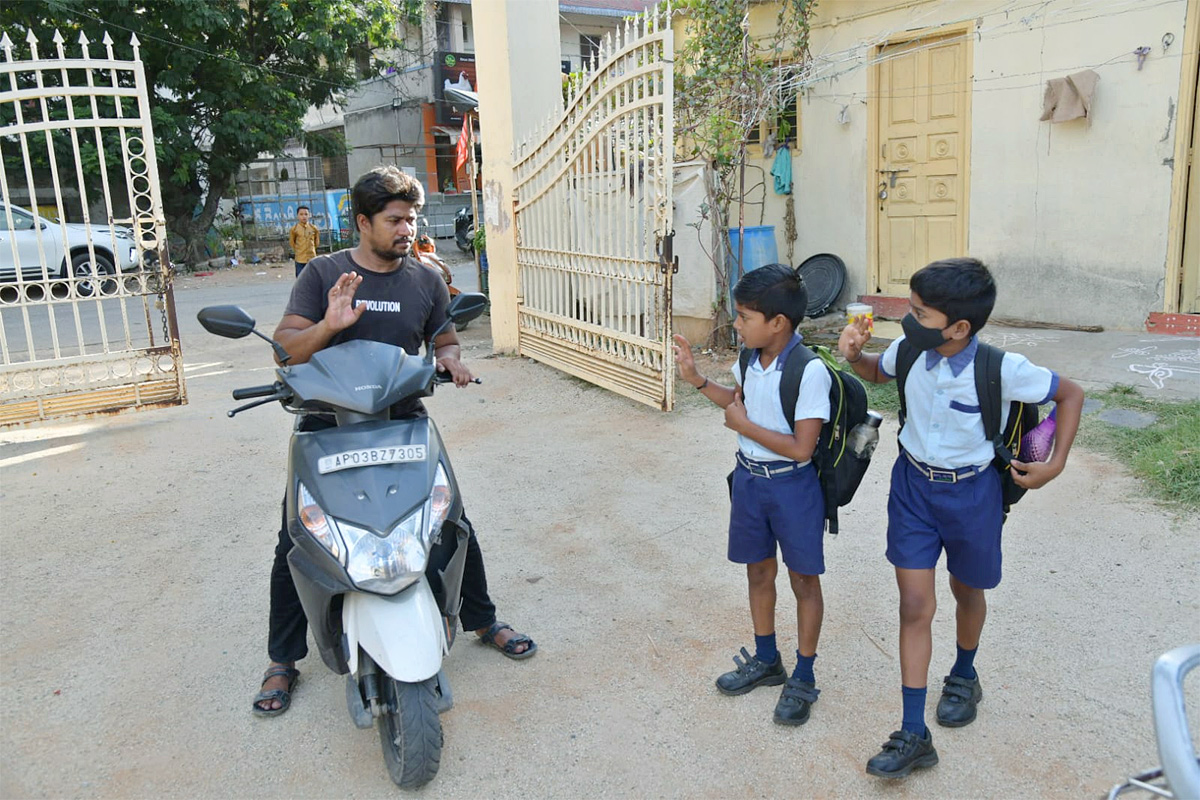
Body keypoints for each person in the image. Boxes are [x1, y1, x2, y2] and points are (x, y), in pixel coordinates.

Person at [252, 167, 536, 717]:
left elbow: (444, 336)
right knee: (298, 539)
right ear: (363, 222)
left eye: (412, 218)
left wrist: (451, 359)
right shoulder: (322, 273)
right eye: (395, 219)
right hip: (325, 423)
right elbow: (285, 351)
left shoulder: (427, 278)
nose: (407, 228)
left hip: (403, 421)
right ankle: (283, 660)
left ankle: (481, 618)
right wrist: (330, 324)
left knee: (449, 522)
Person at [837, 258, 1083, 778]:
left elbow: (1070, 393)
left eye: (919, 312)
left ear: (959, 327)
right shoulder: (909, 349)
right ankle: (912, 733)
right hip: (912, 489)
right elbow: (875, 371)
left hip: (973, 496)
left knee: (968, 590)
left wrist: (1054, 465)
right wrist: (856, 356)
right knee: (913, 604)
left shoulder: (1000, 368)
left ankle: (965, 674)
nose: (907, 320)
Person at [672, 264, 831, 727]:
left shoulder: (809, 371)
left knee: (803, 581)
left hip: (792, 487)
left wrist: (745, 428)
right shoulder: (750, 358)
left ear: (777, 322)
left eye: (743, 317)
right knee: (758, 571)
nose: (736, 325)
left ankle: (802, 675)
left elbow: (804, 447)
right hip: (749, 481)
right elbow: (737, 403)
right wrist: (698, 380)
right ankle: (767, 660)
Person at [288, 205, 319, 278]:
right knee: (300, 279)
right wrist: (298, 250)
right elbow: (292, 242)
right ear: (297, 216)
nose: (304, 216)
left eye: (306, 214)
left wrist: (312, 249)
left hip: (312, 258)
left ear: (309, 215)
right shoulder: (294, 229)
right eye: (301, 214)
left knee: (313, 278)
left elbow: (316, 241)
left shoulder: (313, 228)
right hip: (300, 259)